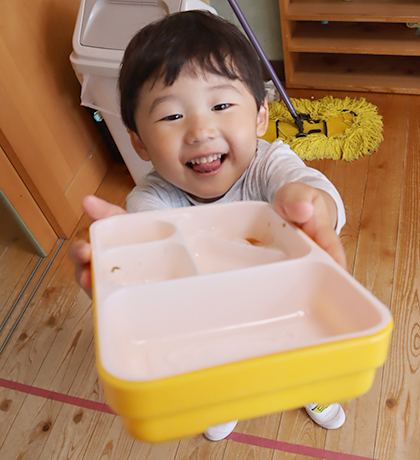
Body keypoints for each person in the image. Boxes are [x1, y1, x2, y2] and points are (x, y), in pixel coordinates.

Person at [68, 10, 347, 441]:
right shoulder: (151, 201)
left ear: (259, 116)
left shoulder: (268, 165)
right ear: (138, 141)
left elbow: (308, 187)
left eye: (220, 105)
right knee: (216, 367)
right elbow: (148, 262)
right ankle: (222, 400)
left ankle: (315, 390)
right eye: (171, 116)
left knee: (305, 355)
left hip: (286, 302)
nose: (200, 130)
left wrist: (316, 209)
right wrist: (118, 275)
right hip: (212, 317)